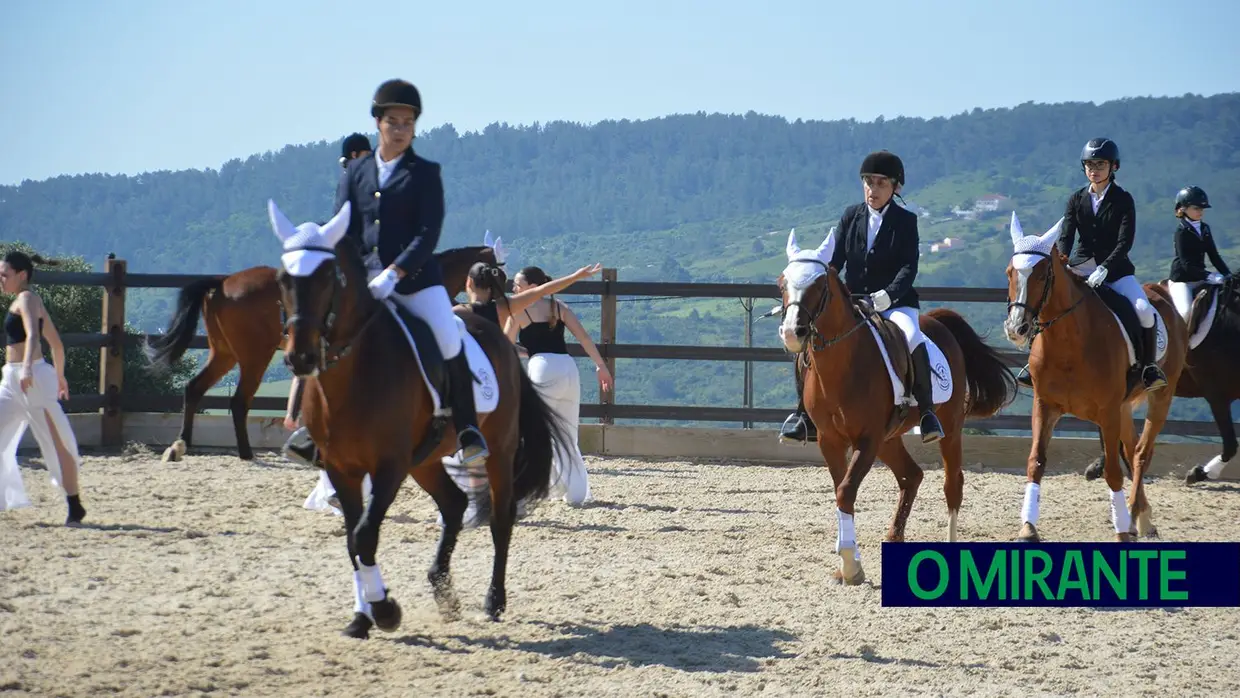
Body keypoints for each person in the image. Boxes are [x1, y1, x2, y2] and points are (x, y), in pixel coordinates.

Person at [283, 78, 489, 474]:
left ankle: (466, 429)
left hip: (413, 281)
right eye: (393, 121)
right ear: (378, 122)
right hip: (361, 283)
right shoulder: (356, 172)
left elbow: (428, 232)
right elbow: (342, 226)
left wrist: (395, 272)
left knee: (447, 338)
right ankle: (311, 430)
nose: (400, 129)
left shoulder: (425, 173)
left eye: (407, 123)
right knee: (323, 334)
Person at [779, 150, 944, 445]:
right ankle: (804, 414)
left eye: (881, 183)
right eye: (868, 182)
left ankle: (927, 412)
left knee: (911, 335)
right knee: (811, 338)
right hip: (853, 301)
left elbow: (909, 267)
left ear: (896, 187)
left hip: (896, 303)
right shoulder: (850, 216)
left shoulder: (906, 221)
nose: (873, 189)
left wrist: (887, 296)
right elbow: (836, 262)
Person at [1014, 138, 1167, 392]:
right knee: (1047, 299)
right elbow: (1066, 237)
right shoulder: (1076, 199)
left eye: (1100, 164)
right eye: (1089, 164)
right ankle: (1033, 363)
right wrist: (1062, 264)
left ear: (1113, 167)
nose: (1093, 169)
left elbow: (1125, 241)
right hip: (1081, 266)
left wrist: (1105, 267)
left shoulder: (1123, 199)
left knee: (1143, 310)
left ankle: (1148, 367)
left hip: (1116, 270)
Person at [504, 266, 614, 505]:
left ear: (533, 288)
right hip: (568, 368)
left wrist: (526, 353)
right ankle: (576, 494)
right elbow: (584, 338)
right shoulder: (559, 307)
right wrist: (601, 366)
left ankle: (527, 493)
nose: (514, 288)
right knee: (567, 434)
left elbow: (504, 345)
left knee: (534, 432)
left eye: (518, 285)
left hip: (542, 368)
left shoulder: (519, 310)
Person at [0, 251, 87, 525]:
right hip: (13, 380)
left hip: (32, 379)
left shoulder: (27, 299)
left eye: (5, 275)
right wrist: (60, 376)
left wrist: (27, 366)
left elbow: (34, 334)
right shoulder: (28, 300)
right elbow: (57, 344)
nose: (1, 280)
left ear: (22, 275)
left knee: (57, 443)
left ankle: (75, 505)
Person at [1167, 185, 1230, 323]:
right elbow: (1186, 264)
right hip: (1182, 280)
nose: (1200, 212)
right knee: (1185, 313)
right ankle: (1182, 344)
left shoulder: (1204, 228)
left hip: (1199, 277)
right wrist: (1209, 276)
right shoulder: (1181, 232)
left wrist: (1227, 275)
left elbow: (1214, 256)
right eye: (1196, 208)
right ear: (1183, 208)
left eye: (1202, 208)